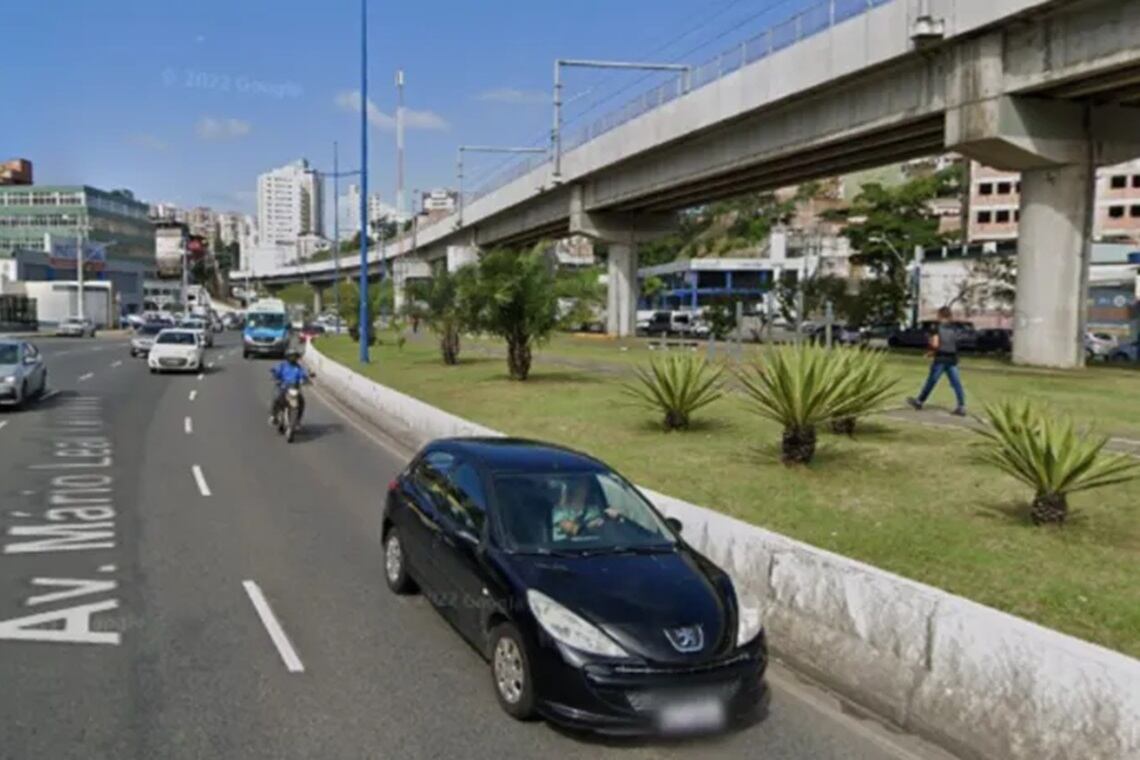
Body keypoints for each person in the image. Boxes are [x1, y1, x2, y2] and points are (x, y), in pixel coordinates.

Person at [907, 307, 966, 416]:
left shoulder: (937, 328)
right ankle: (961, 406)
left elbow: (935, 344)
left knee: (931, 381)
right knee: (956, 383)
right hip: (952, 358)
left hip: (940, 358)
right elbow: (957, 343)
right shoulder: (955, 328)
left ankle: (919, 401)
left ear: (940, 315)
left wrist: (930, 352)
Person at [552, 477, 622, 540]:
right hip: (564, 548)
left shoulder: (594, 510)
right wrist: (588, 527)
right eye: (577, 486)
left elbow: (608, 519)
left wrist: (616, 517)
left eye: (585, 487)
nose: (580, 489)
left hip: (595, 546)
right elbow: (570, 527)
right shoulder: (559, 512)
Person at [269, 349, 310, 425]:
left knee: (301, 402)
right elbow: (277, 371)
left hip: (294, 388)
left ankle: (297, 420)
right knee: (276, 398)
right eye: (291, 356)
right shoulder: (283, 365)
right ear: (287, 357)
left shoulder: (299, 367)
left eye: (294, 356)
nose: (293, 358)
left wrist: (307, 378)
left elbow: (304, 374)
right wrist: (275, 375)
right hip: (283, 387)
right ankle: (273, 416)